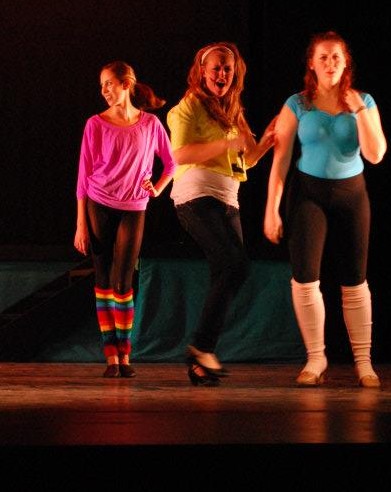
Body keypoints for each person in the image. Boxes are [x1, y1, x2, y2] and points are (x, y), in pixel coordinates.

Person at [263, 30, 387, 388]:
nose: (330, 63)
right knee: (305, 278)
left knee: (355, 280)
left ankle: (364, 363)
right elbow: (281, 160)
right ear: (312, 64)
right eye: (323, 57)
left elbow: (376, 155)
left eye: (336, 57)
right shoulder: (297, 104)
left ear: (346, 62)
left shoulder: (364, 101)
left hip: (352, 195)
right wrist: (271, 209)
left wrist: (360, 111)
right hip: (308, 195)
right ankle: (316, 359)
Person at [167, 42, 277, 386]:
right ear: (202, 71)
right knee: (234, 264)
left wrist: (267, 141)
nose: (222, 74)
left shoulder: (232, 111)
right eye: (216, 67)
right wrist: (225, 144)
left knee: (229, 272)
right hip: (196, 195)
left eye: (228, 68)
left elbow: (246, 159)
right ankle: (201, 347)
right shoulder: (188, 107)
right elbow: (179, 154)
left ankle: (201, 358)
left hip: (228, 199)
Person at [74, 60, 176, 378]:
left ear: (126, 84)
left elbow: (171, 163)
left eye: (109, 83)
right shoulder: (95, 124)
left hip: (134, 206)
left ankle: (126, 353)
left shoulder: (150, 124)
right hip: (98, 204)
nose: (104, 90)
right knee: (103, 280)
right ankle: (111, 357)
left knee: (123, 281)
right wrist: (80, 224)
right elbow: (83, 176)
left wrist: (157, 188)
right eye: (101, 85)